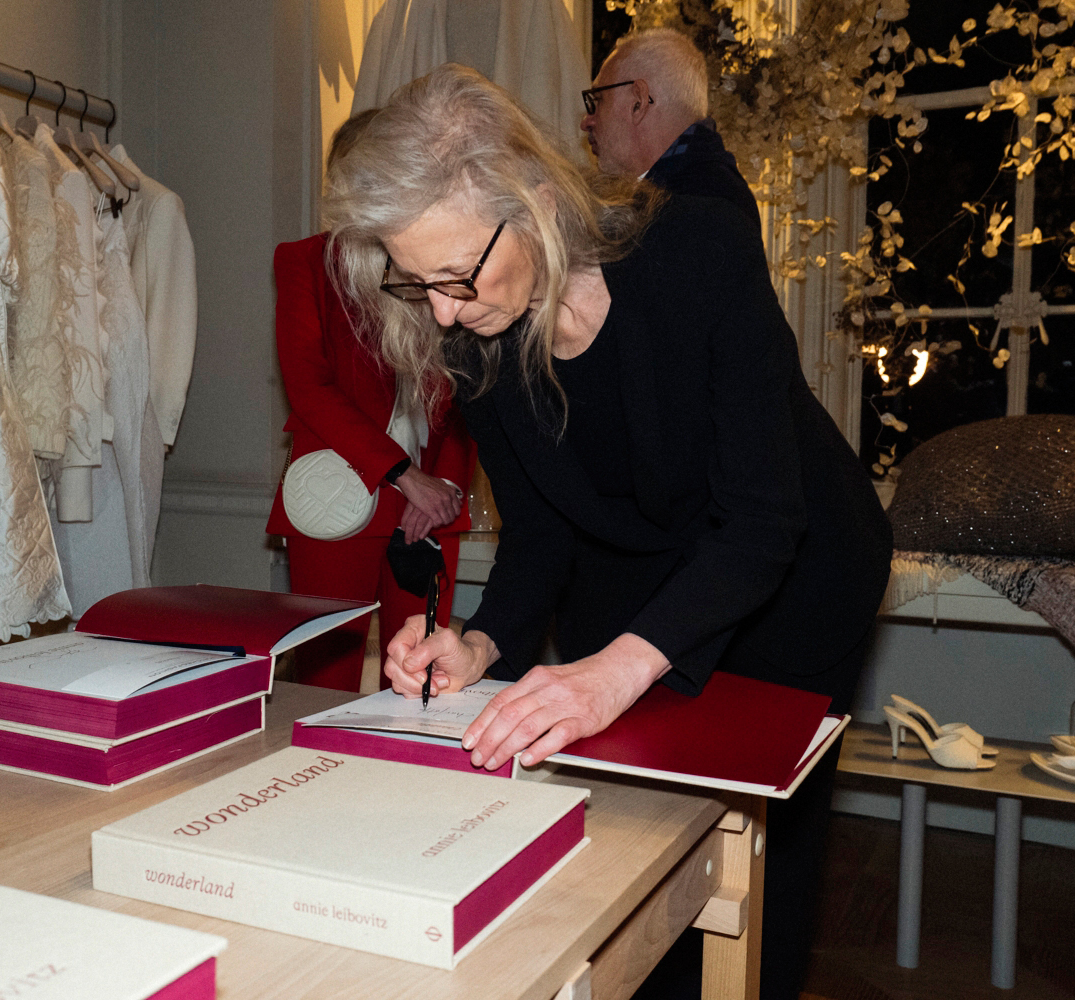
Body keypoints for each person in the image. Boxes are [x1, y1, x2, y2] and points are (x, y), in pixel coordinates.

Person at [322, 65, 891, 999]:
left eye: (459, 274)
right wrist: (479, 642)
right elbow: (542, 530)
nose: (444, 312)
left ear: (539, 204)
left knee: (750, 849)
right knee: (625, 833)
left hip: (797, 565)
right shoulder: (473, 332)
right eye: (417, 283)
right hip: (642, 557)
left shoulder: (699, 250)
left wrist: (617, 668)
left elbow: (760, 518)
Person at [266, 109, 475, 692]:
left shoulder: (442, 255)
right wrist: (406, 477)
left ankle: (407, 779)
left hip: (435, 498)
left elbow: (469, 382)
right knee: (325, 676)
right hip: (339, 490)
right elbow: (308, 385)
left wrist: (447, 485)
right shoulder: (305, 260)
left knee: (422, 670)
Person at [582, 28, 759, 225]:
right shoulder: (699, 192)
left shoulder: (700, 210)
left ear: (638, 103)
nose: (586, 122)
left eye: (598, 100)